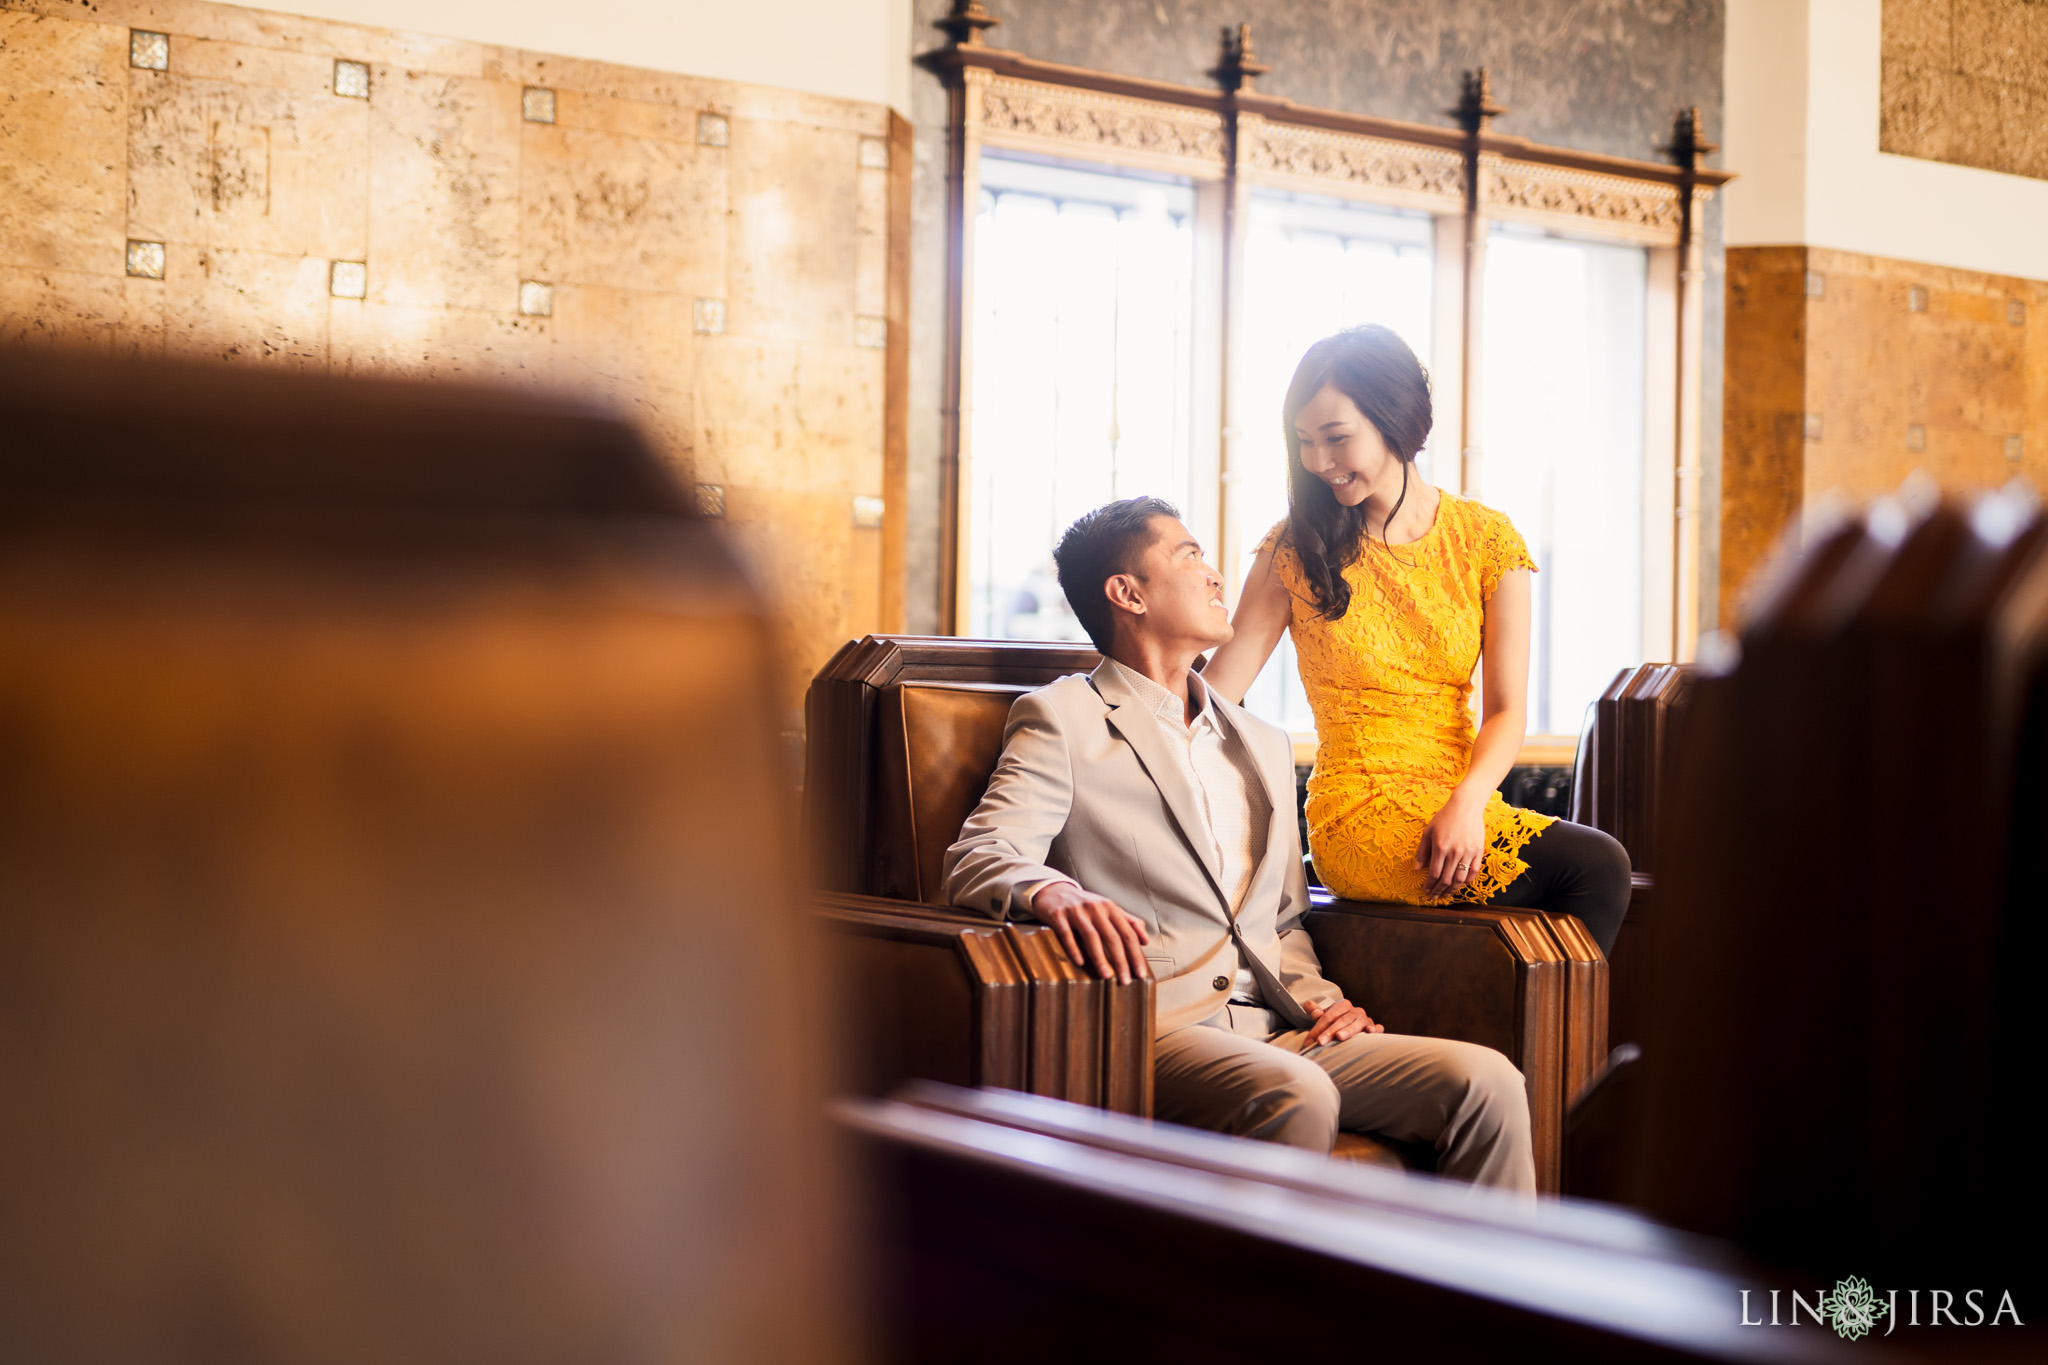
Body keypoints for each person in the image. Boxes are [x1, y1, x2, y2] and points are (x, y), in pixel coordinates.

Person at [942, 496, 1534, 1191]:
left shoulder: (1263, 742)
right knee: (1296, 1092)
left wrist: (1321, 997)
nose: (1216, 574)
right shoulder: (1063, 716)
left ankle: (1478, 1300)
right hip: (1156, 1026)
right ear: (1127, 592)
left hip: (1282, 1026)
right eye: (1189, 556)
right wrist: (1056, 890)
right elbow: (982, 852)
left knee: (1488, 1082)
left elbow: (1283, 919)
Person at [1203, 325, 1630, 955]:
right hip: (1360, 810)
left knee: (1586, 881)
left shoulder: (1486, 540)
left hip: (1461, 801)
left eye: (1337, 438)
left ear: (1395, 421)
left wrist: (1466, 804)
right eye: (1305, 443)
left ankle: (1524, 1045)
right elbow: (1217, 693)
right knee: (1596, 866)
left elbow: (1508, 711)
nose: (1320, 462)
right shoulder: (1293, 548)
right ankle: (1557, 1053)